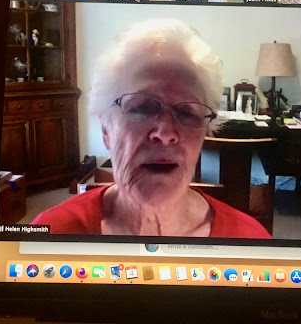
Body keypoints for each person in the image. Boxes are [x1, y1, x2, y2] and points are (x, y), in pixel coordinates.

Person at [32, 19, 271, 238]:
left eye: (187, 112)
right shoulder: (50, 234)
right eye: (142, 108)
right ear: (106, 130)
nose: (165, 134)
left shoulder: (250, 239)